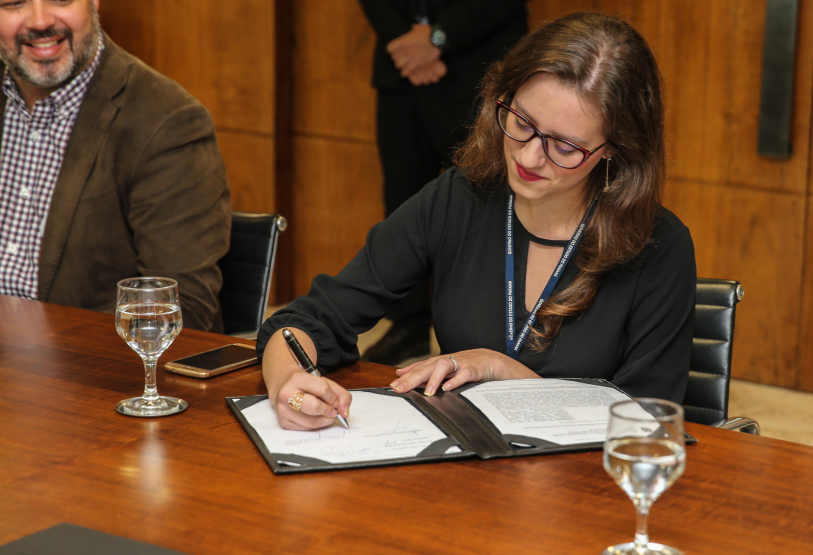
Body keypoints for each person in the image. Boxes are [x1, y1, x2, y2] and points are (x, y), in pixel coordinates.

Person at [258, 12, 697, 430]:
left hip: (585, 492)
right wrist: (286, 386)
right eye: (521, 121)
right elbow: (309, 319)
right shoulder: (459, 198)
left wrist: (502, 370)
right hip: (464, 477)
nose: (527, 156)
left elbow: (648, 422)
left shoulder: (659, 246)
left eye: (564, 147)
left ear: (614, 149)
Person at [0, 0, 231, 331]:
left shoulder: (168, 123)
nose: (40, 20)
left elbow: (180, 310)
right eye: (13, 2)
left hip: (78, 373)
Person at [357, 0, 528, 364]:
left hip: (477, 71)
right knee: (403, 201)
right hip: (401, 73)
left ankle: (490, 332)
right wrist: (406, 45)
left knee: (487, 206)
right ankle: (409, 325)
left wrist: (437, 39)